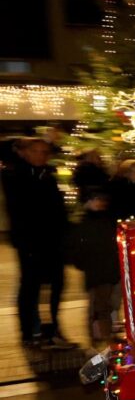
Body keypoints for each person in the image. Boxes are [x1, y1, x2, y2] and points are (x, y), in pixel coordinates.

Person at [1, 137, 74, 348]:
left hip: (52, 240)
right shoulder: (16, 174)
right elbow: (22, 210)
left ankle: (51, 330)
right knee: (31, 286)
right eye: (36, 151)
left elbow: (57, 208)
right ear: (23, 152)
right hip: (31, 241)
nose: (42, 155)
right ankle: (31, 332)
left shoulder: (47, 175)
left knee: (55, 284)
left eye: (45, 151)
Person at [69, 187, 122, 344]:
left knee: (106, 305)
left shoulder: (105, 220)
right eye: (96, 199)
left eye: (101, 199)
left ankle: (103, 335)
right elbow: (77, 250)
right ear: (88, 202)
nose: (100, 203)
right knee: (99, 307)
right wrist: (84, 264)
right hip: (96, 271)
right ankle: (102, 337)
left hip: (109, 269)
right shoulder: (84, 223)